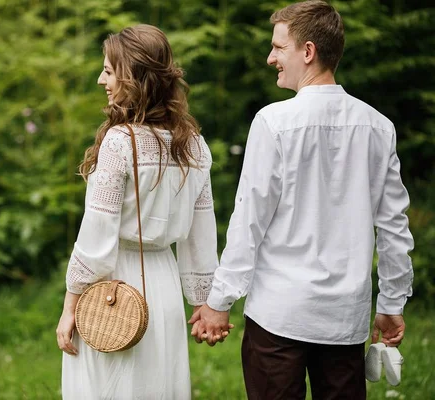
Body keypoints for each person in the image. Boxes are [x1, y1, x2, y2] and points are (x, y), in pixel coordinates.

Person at [189, 1, 414, 399]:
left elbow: (249, 222)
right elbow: (394, 224)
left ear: (307, 52)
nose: (270, 57)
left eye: (278, 47)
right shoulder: (378, 127)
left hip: (279, 316)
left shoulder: (273, 122)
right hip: (344, 318)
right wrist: (392, 300)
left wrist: (219, 301)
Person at [56, 24, 222, 399]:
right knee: (156, 384)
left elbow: (97, 239)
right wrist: (202, 301)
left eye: (109, 71)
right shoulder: (195, 147)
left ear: (134, 78)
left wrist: (70, 307)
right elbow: (201, 235)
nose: (101, 79)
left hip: (112, 287)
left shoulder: (119, 143)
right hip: (162, 288)